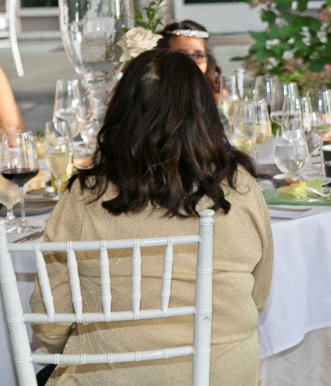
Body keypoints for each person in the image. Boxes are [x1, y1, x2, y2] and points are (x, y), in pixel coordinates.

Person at [30, 49, 273, 385]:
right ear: (205, 111)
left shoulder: (85, 197)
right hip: (225, 376)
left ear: (120, 112)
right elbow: (257, 297)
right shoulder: (241, 190)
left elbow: (49, 327)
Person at [157, 20, 222, 95]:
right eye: (182, 55)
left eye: (199, 55)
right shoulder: (151, 96)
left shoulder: (218, 96)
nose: (191, 62)